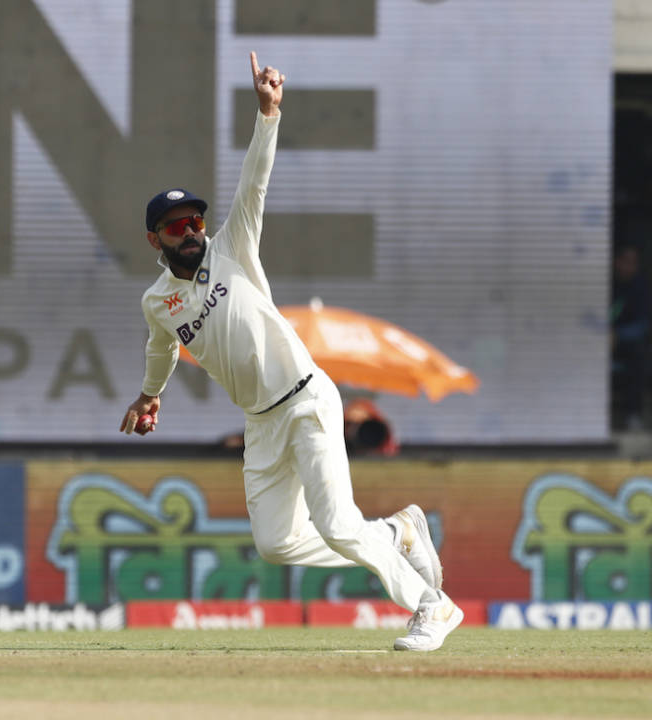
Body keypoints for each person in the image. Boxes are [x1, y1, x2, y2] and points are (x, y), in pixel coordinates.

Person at [119, 54, 462, 651]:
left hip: (306, 399)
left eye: (195, 219)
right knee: (277, 543)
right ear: (156, 240)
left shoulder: (233, 249)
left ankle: (431, 605)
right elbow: (162, 348)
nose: (192, 230)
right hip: (261, 423)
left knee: (334, 523)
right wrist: (150, 395)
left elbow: (254, 182)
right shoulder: (157, 301)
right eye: (176, 227)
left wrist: (268, 113)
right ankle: (395, 531)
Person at [610, 244, 650, 430]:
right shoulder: (603, 282)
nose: (629, 267)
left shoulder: (640, 287)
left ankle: (632, 414)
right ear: (616, 262)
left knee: (639, 354)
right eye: (626, 262)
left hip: (622, 342)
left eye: (634, 263)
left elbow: (642, 325)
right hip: (596, 341)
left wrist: (617, 334)